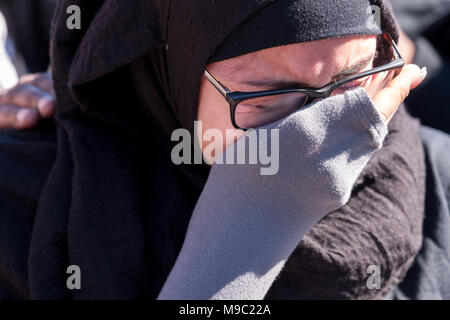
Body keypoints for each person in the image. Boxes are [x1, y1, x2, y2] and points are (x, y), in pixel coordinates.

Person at [0, 0, 428, 300]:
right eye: (269, 99)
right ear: (166, 74)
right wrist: (243, 239)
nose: (321, 131)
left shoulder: (427, 176)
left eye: (353, 82)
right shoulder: (24, 212)